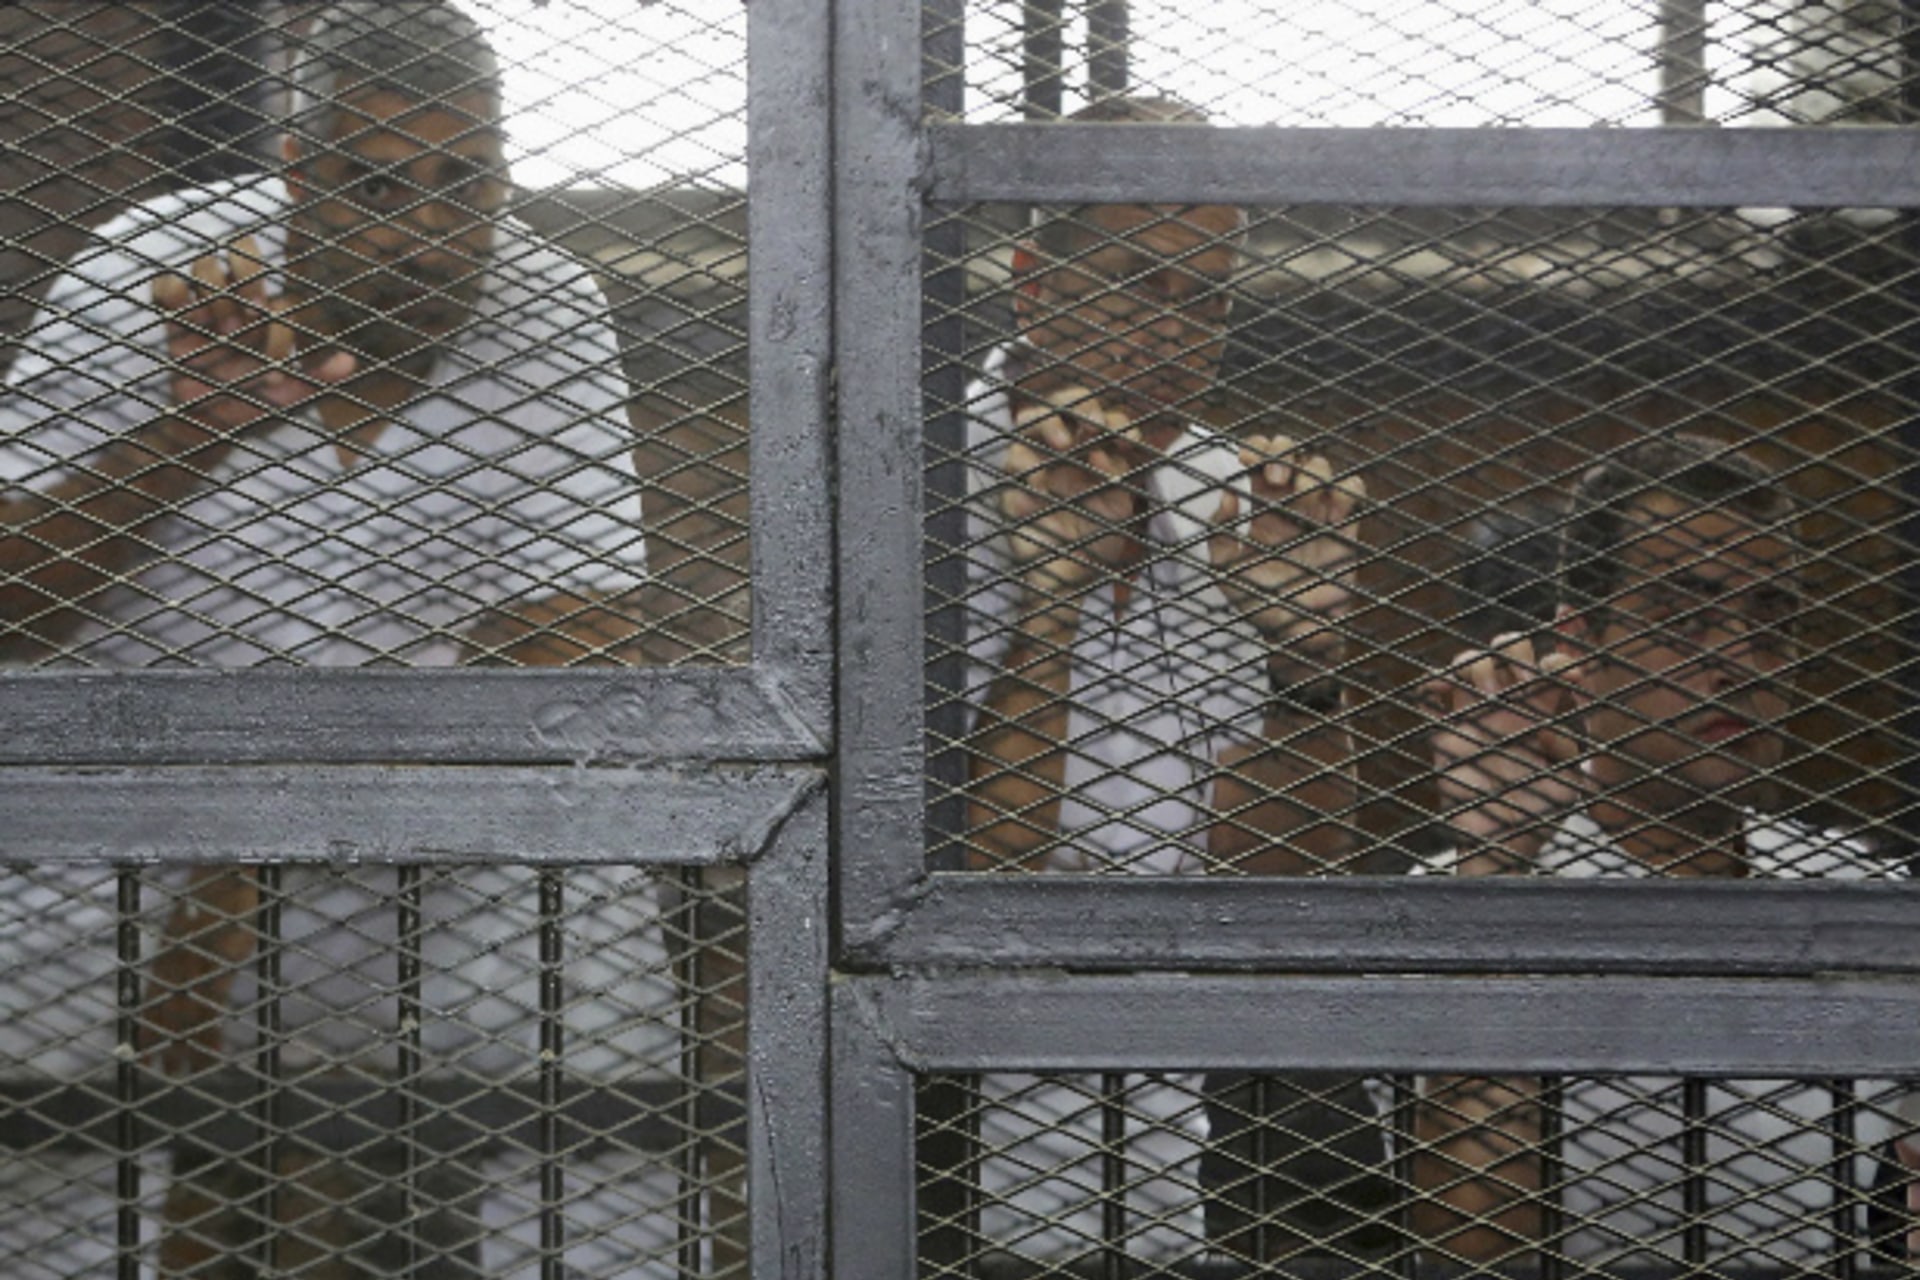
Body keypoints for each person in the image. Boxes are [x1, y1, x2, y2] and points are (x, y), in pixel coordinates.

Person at [0, 4, 678, 1276]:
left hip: (447, 826)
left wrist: (290, 839)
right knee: (50, 1073)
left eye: (462, 185)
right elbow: (12, 607)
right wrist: (193, 429)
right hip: (135, 819)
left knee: (592, 965)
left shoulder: (547, 302)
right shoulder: (152, 266)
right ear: (298, 174)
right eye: (377, 187)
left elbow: (577, 651)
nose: (428, 233)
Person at [960, 96, 1372, 1266]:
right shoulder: (912, 469)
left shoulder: (1227, 499)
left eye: (1206, 301)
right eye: (1141, 285)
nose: (1173, 337)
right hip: (933, 1172)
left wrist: (1304, 657)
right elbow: (962, 884)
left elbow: (1281, 886)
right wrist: (1051, 606)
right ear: (1036, 285)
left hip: (1163, 1194)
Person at [1417, 434, 1907, 1267]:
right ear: (1577, 646)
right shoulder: (1449, 900)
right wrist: (1497, 877)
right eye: (1684, 618)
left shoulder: (1863, 898)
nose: (1739, 660)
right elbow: (1470, 1250)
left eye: (1771, 622)